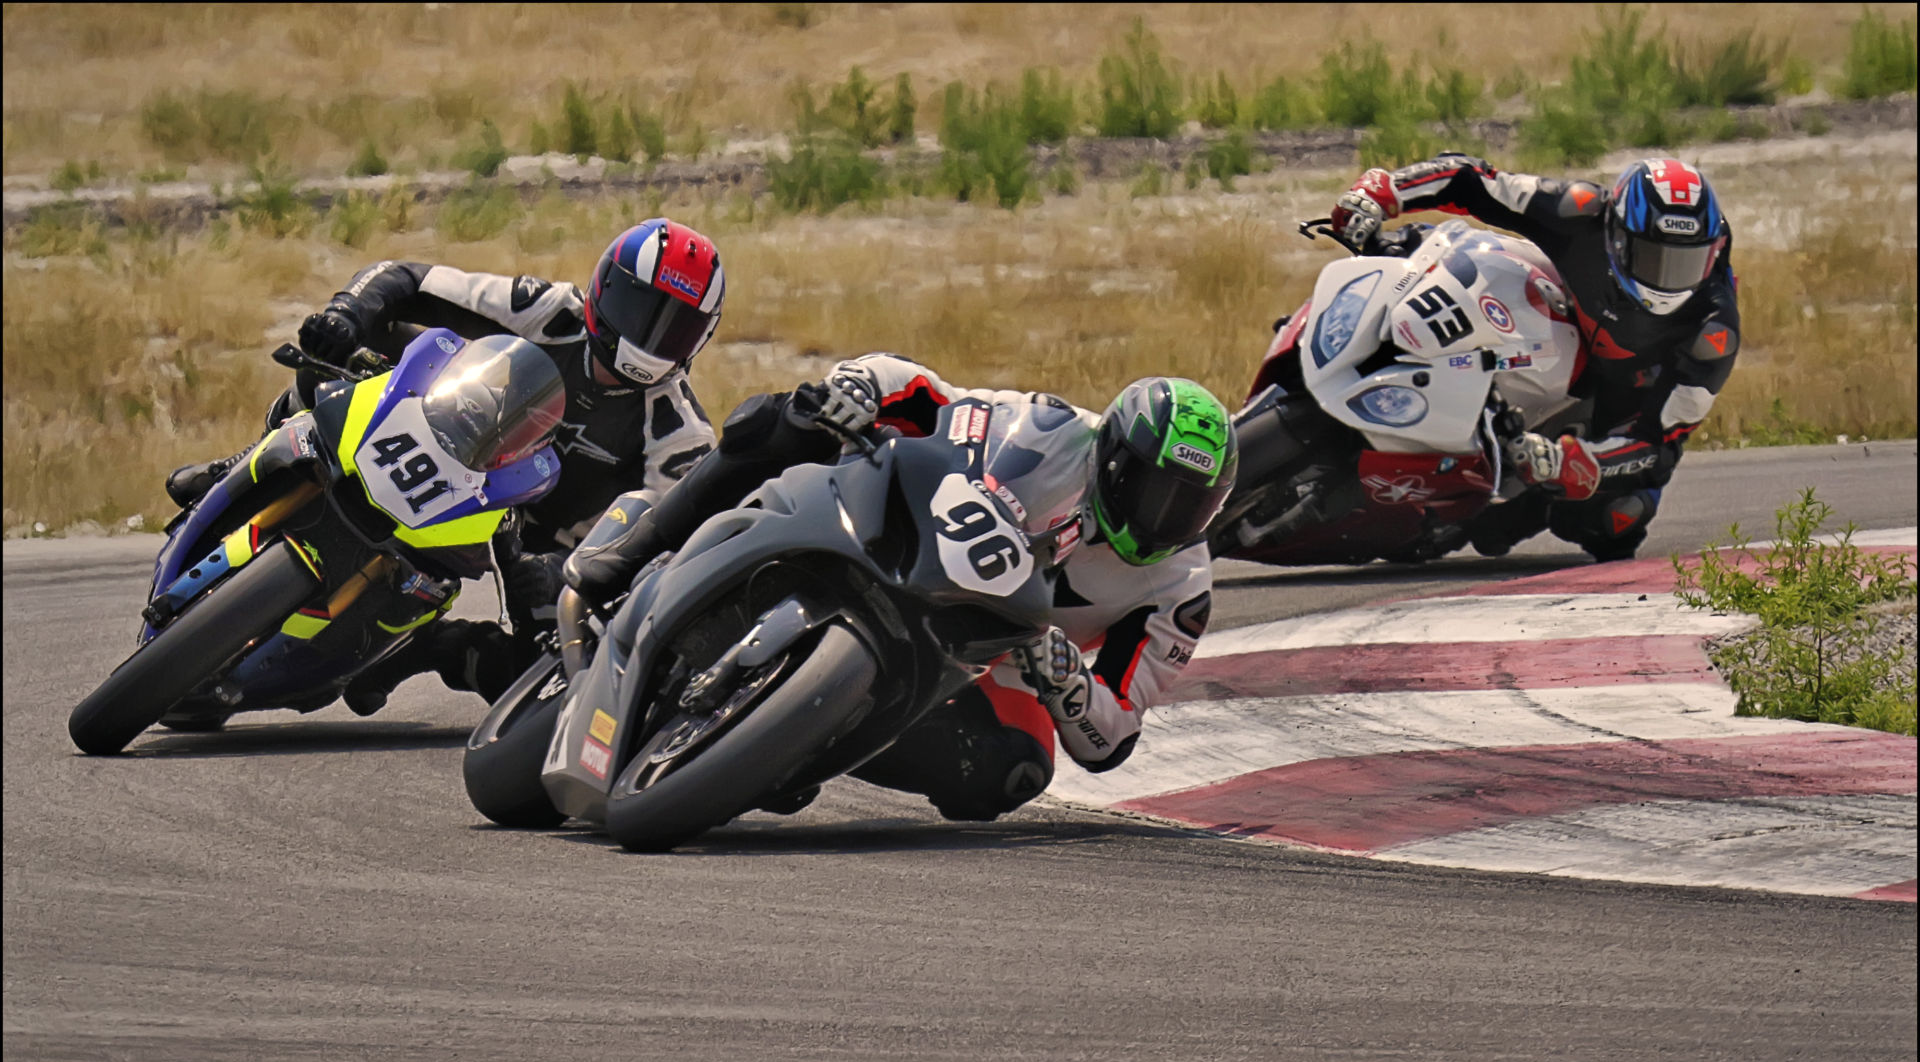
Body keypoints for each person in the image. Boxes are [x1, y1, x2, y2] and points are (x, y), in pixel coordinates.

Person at [563, 353, 1237, 821]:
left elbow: (1111, 737)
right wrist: (856, 388)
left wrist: (1069, 685)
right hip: (902, 537)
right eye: (1156, 494)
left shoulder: (1181, 590)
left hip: (992, 652)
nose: (1166, 522)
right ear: (1114, 459)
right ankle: (639, 544)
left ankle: (792, 748)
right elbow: (922, 391)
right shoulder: (1050, 431)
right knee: (783, 420)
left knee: (1015, 770)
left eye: (1192, 509)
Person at [166, 218, 726, 711]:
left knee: (539, 680)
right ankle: (237, 466)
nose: (647, 339)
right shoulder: (551, 310)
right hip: (466, 445)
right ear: (604, 289)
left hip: (546, 542)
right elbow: (410, 278)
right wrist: (346, 314)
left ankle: (434, 647)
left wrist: (566, 571)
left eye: (673, 328)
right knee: (339, 364)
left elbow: (666, 544)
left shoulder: (680, 432)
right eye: (639, 311)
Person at [1329, 153, 1739, 560]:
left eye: (1687, 263)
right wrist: (1385, 190)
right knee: (1418, 246)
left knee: (1611, 521)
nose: (1669, 279)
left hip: (1618, 406)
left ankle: (1490, 504)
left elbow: (1661, 443)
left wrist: (1582, 462)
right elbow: (1473, 181)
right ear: (1617, 236)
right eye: (1655, 258)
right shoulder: (1579, 210)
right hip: (1554, 316)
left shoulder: (1713, 331)